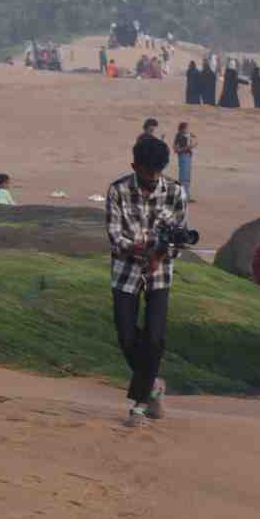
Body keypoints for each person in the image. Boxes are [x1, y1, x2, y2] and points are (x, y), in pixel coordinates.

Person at [106, 134, 189, 427]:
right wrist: (144, 249)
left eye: (158, 172)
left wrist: (161, 255)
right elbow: (115, 238)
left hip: (161, 273)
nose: (153, 179)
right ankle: (153, 384)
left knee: (154, 338)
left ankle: (139, 406)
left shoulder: (176, 192)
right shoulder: (117, 191)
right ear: (134, 165)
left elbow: (180, 236)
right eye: (147, 172)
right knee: (127, 336)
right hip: (125, 271)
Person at [174, 121, 195, 201]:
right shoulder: (179, 136)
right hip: (184, 156)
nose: (188, 129)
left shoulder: (184, 135)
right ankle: (183, 196)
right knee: (184, 177)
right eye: (186, 128)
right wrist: (188, 147)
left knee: (186, 177)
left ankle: (185, 195)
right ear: (183, 128)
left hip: (187, 156)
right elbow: (176, 149)